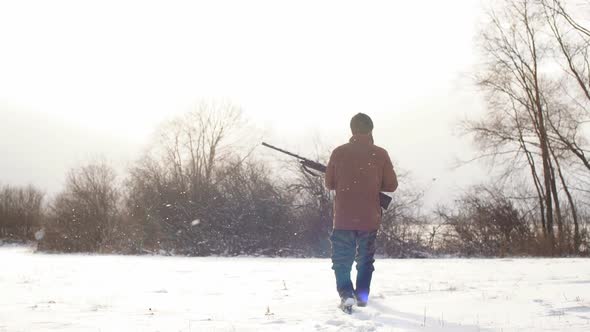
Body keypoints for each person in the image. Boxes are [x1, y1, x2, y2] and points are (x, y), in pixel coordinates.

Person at [324, 113, 398, 309]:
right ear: (371, 130)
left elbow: (329, 183)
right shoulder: (380, 154)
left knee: (341, 259)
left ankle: (346, 294)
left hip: (343, 218)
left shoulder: (339, 152)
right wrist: (371, 179)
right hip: (369, 217)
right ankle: (362, 296)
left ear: (352, 130)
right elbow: (391, 185)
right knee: (365, 259)